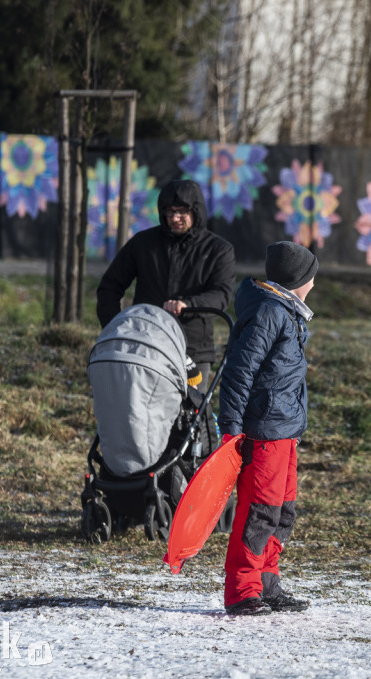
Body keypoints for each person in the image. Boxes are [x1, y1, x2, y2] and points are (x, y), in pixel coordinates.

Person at [216, 241, 318, 617]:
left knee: (281, 511)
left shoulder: (287, 312)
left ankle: (266, 584)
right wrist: (231, 427)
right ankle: (242, 591)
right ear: (298, 281)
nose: (313, 285)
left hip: (285, 432)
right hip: (264, 433)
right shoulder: (269, 313)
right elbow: (239, 372)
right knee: (258, 512)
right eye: (311, 278)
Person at [96, 178, 235, 392]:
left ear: (196, 211)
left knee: (191, 417)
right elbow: (109, 287)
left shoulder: (219, 250)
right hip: (145, 346)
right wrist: (116, 329)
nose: (175, 218)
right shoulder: (143, 244)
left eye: (182, 211)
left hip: (195, 350)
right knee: (145, 415)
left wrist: (188, 305)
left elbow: (222, 295)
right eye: (169, 212)